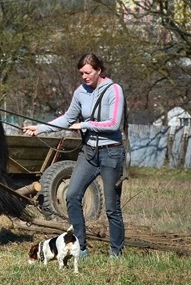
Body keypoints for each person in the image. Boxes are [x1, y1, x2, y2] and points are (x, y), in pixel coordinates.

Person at [23, 53, 126, 258]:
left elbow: (114, 123)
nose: (84, 77)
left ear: (99, 70)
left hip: (111, 152)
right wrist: (40, 129)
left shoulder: (114, 90)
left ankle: (116, 253)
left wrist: (85, 124)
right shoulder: (81, 92)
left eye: (88, 72)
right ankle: (81, 248)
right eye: (81, 73)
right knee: (72, 195)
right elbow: (68, 118)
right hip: (89, 152)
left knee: (112, 207)